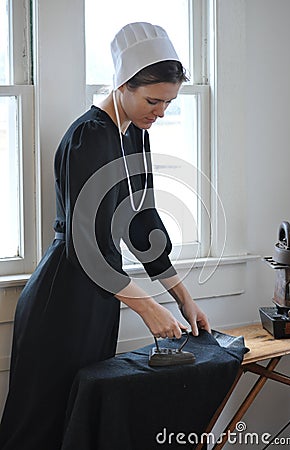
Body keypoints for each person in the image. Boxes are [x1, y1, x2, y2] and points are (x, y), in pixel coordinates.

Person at [0, 22, 210, 450]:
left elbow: (142, 223)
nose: (160, 113)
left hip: (99, 301)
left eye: (169, 103)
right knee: (39, 426)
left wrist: (182, 295)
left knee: (79, 425)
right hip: (62, 301)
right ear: (122, 85)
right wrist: (149, 308)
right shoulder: (89, 138)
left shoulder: (135, 133)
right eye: (154, 100)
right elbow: (86, 247)